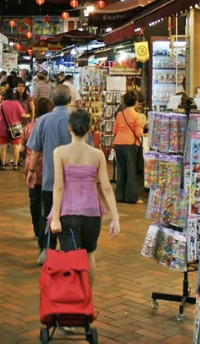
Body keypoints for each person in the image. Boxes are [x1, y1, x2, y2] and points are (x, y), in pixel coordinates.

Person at [50, 110, 120, 286]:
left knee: (69, 259)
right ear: (90, 129)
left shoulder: (59, 152)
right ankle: (86, 299)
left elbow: (58, 186)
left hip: (68, 212)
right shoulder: (97, 154)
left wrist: (55, 218)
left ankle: (72, 301)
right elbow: (106, 188)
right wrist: (115, 217)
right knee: (89, 255)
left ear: (69, 128)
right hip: (92, 213)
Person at [27, 85, 91, 264]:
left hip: (50, 180)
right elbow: (90, 149)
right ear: (71, 99)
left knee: (49, 215)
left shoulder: (43, 120)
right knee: (73, 218)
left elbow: (36, 150)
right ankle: (71, 254)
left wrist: (31, 171)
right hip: (77, 182)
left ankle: (47, 251)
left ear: (53, 101)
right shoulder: (78, 119)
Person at [25, 97, 53, 240]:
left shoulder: (29, 127)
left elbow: (23, 145)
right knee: (48, 201)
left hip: (33, 169)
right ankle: (47, 230)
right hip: (49, 168)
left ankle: (37, 230)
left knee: (34, 201)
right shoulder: (52, 126)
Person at [112, 91, 146, 204]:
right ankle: (131, 198)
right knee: (131, 172)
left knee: (121, 171)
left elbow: (114, 131)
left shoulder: (120, 114)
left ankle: (119, 195)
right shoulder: (137, 116)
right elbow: (138, 133)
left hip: (118, 144)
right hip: (130, 145)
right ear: (136, 102)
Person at [0, 88, 28, 170]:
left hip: (3, 129)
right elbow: (23, 115)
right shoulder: (16, 104)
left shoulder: (1, 105)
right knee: (15, 147)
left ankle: (2, 165)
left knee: (3, 147)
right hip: (15, 129)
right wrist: (29, 115)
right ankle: (15, 165)